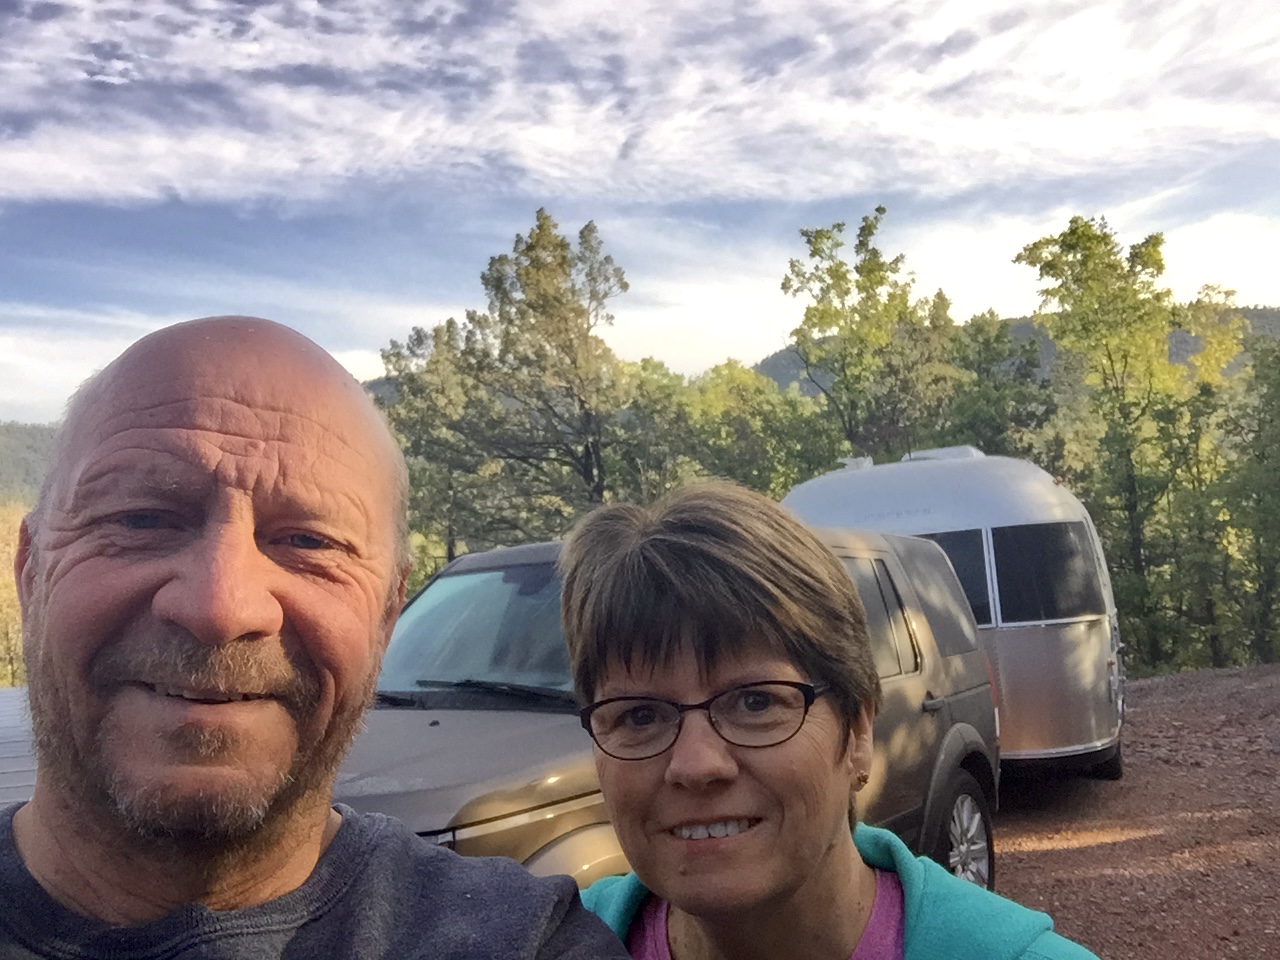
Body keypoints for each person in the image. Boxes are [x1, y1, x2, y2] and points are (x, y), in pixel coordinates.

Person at [3, 316, 628, 960]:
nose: (220, 608)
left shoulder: (529, 943)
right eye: (141, 520)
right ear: (31, 570)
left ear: (387, 613)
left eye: (308, 541)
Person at [558, 481, 1098, 960]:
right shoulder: (554, 942)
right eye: (640, 715)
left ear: (858, 731)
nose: (696, 766)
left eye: (755, 703)